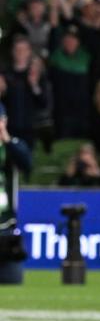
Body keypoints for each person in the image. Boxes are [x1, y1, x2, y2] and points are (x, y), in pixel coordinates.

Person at [0, 105, 33, 275]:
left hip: (6, 228)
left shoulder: (14, 145)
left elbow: (26, 164)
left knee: (11, 280)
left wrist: (6, 139)